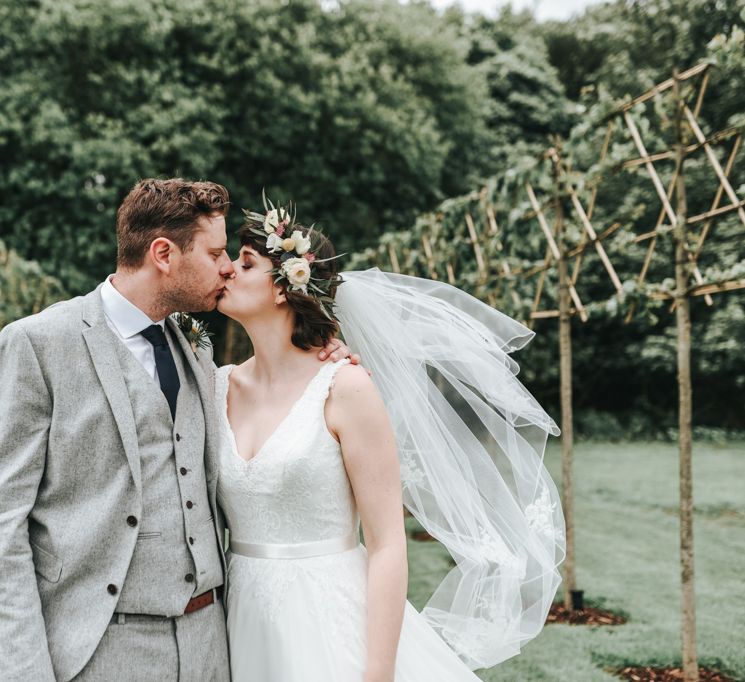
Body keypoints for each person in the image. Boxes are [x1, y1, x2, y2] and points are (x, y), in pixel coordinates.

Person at [0, 178, 354, 681]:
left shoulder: (198, 351)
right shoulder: (39, 345)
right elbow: (4, 524)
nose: (228, 266)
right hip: (99, 649)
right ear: (163, 253)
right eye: (215, 253)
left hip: (214, 644)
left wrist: (324, 357)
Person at [215, 198, 565, 681]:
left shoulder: (346, 387)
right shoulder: (214, 387)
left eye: (245, 262)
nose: (227, 271)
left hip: (330, 621)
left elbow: (386, 544)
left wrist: (377, 673)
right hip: (238, 623)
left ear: (284, 288)